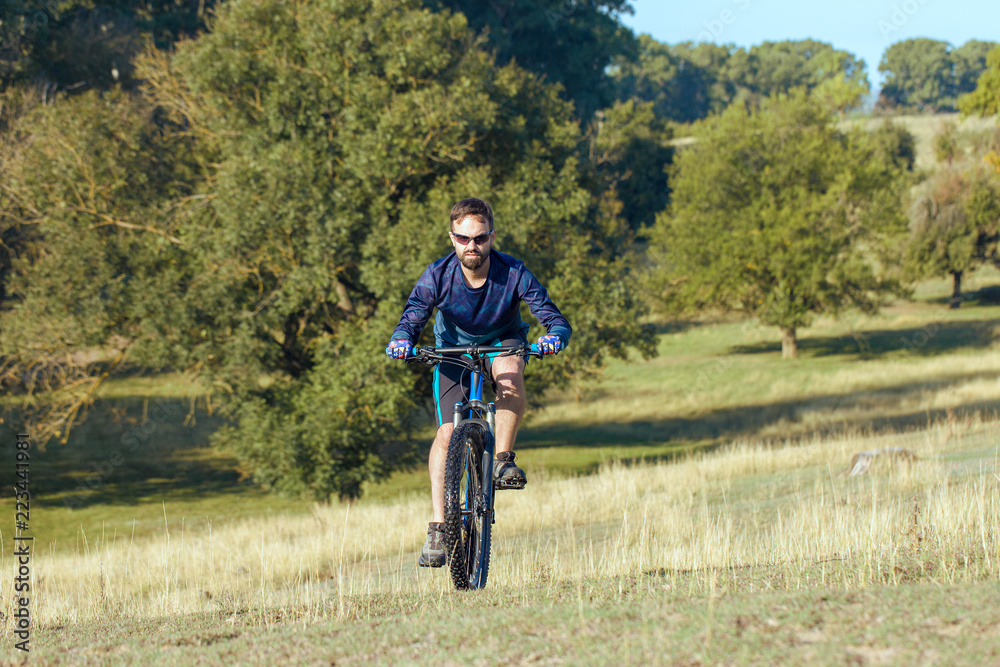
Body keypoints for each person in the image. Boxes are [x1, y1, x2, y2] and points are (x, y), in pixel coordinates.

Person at [386, 197, 571, 568]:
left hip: (501, 341)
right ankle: (439, 526)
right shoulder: (437, 275)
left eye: (480, 238)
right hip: (452, 351)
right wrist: (402, 340)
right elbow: (412, 316)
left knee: (510, 375)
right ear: (452, 238)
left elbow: (554, 319)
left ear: (491, 236)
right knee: (444, 435)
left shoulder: (514, 272)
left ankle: (502, 460)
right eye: (464, 239)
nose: (472, 246)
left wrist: (554, 336)